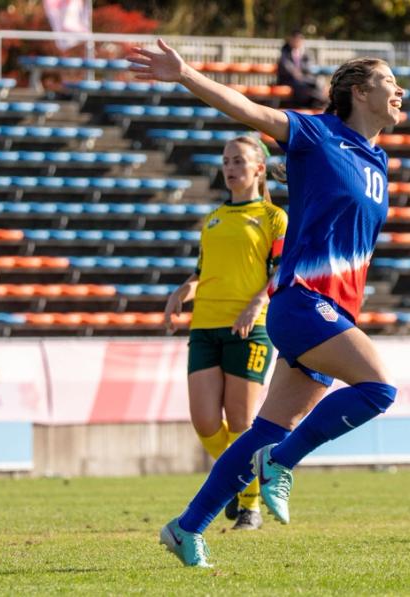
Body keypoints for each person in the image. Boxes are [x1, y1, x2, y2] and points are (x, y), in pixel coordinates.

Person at [130, 39, 404, 568]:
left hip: (335, 310)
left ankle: (187, 528)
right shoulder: (316, 133)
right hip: (302, 304)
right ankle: (282, 463)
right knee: (378, 388)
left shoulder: (378, 159)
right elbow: (250, 112)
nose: (401, 90)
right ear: (359, 91)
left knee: (264, 428)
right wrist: (185, 74)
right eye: (390, 81)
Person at [163, 135, 288, 532]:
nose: (230, 167)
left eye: (238, 160)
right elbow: (204, 272)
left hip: (250, 328)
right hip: (205, 326)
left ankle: (249, 506)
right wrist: (185, 288)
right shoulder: (213, 219)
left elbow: (282, 270)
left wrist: (257, 303)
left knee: (241, 422)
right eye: (226, 161)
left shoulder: (273, 218)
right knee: (204, 422)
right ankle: (237, 482)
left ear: (258, 169)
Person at [276, 30, 328, 109]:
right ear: (291, 40)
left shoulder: (305, 52)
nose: (298, 42)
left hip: (303, 78)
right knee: (302, 86)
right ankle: (318, 101)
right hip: (289, 79)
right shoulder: (285, 50)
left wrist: (301, 72)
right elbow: (286, 65)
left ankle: (318, 100)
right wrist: (295, 72)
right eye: (296, 39)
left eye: (299, 39)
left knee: (316, 83)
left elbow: (309, 66)